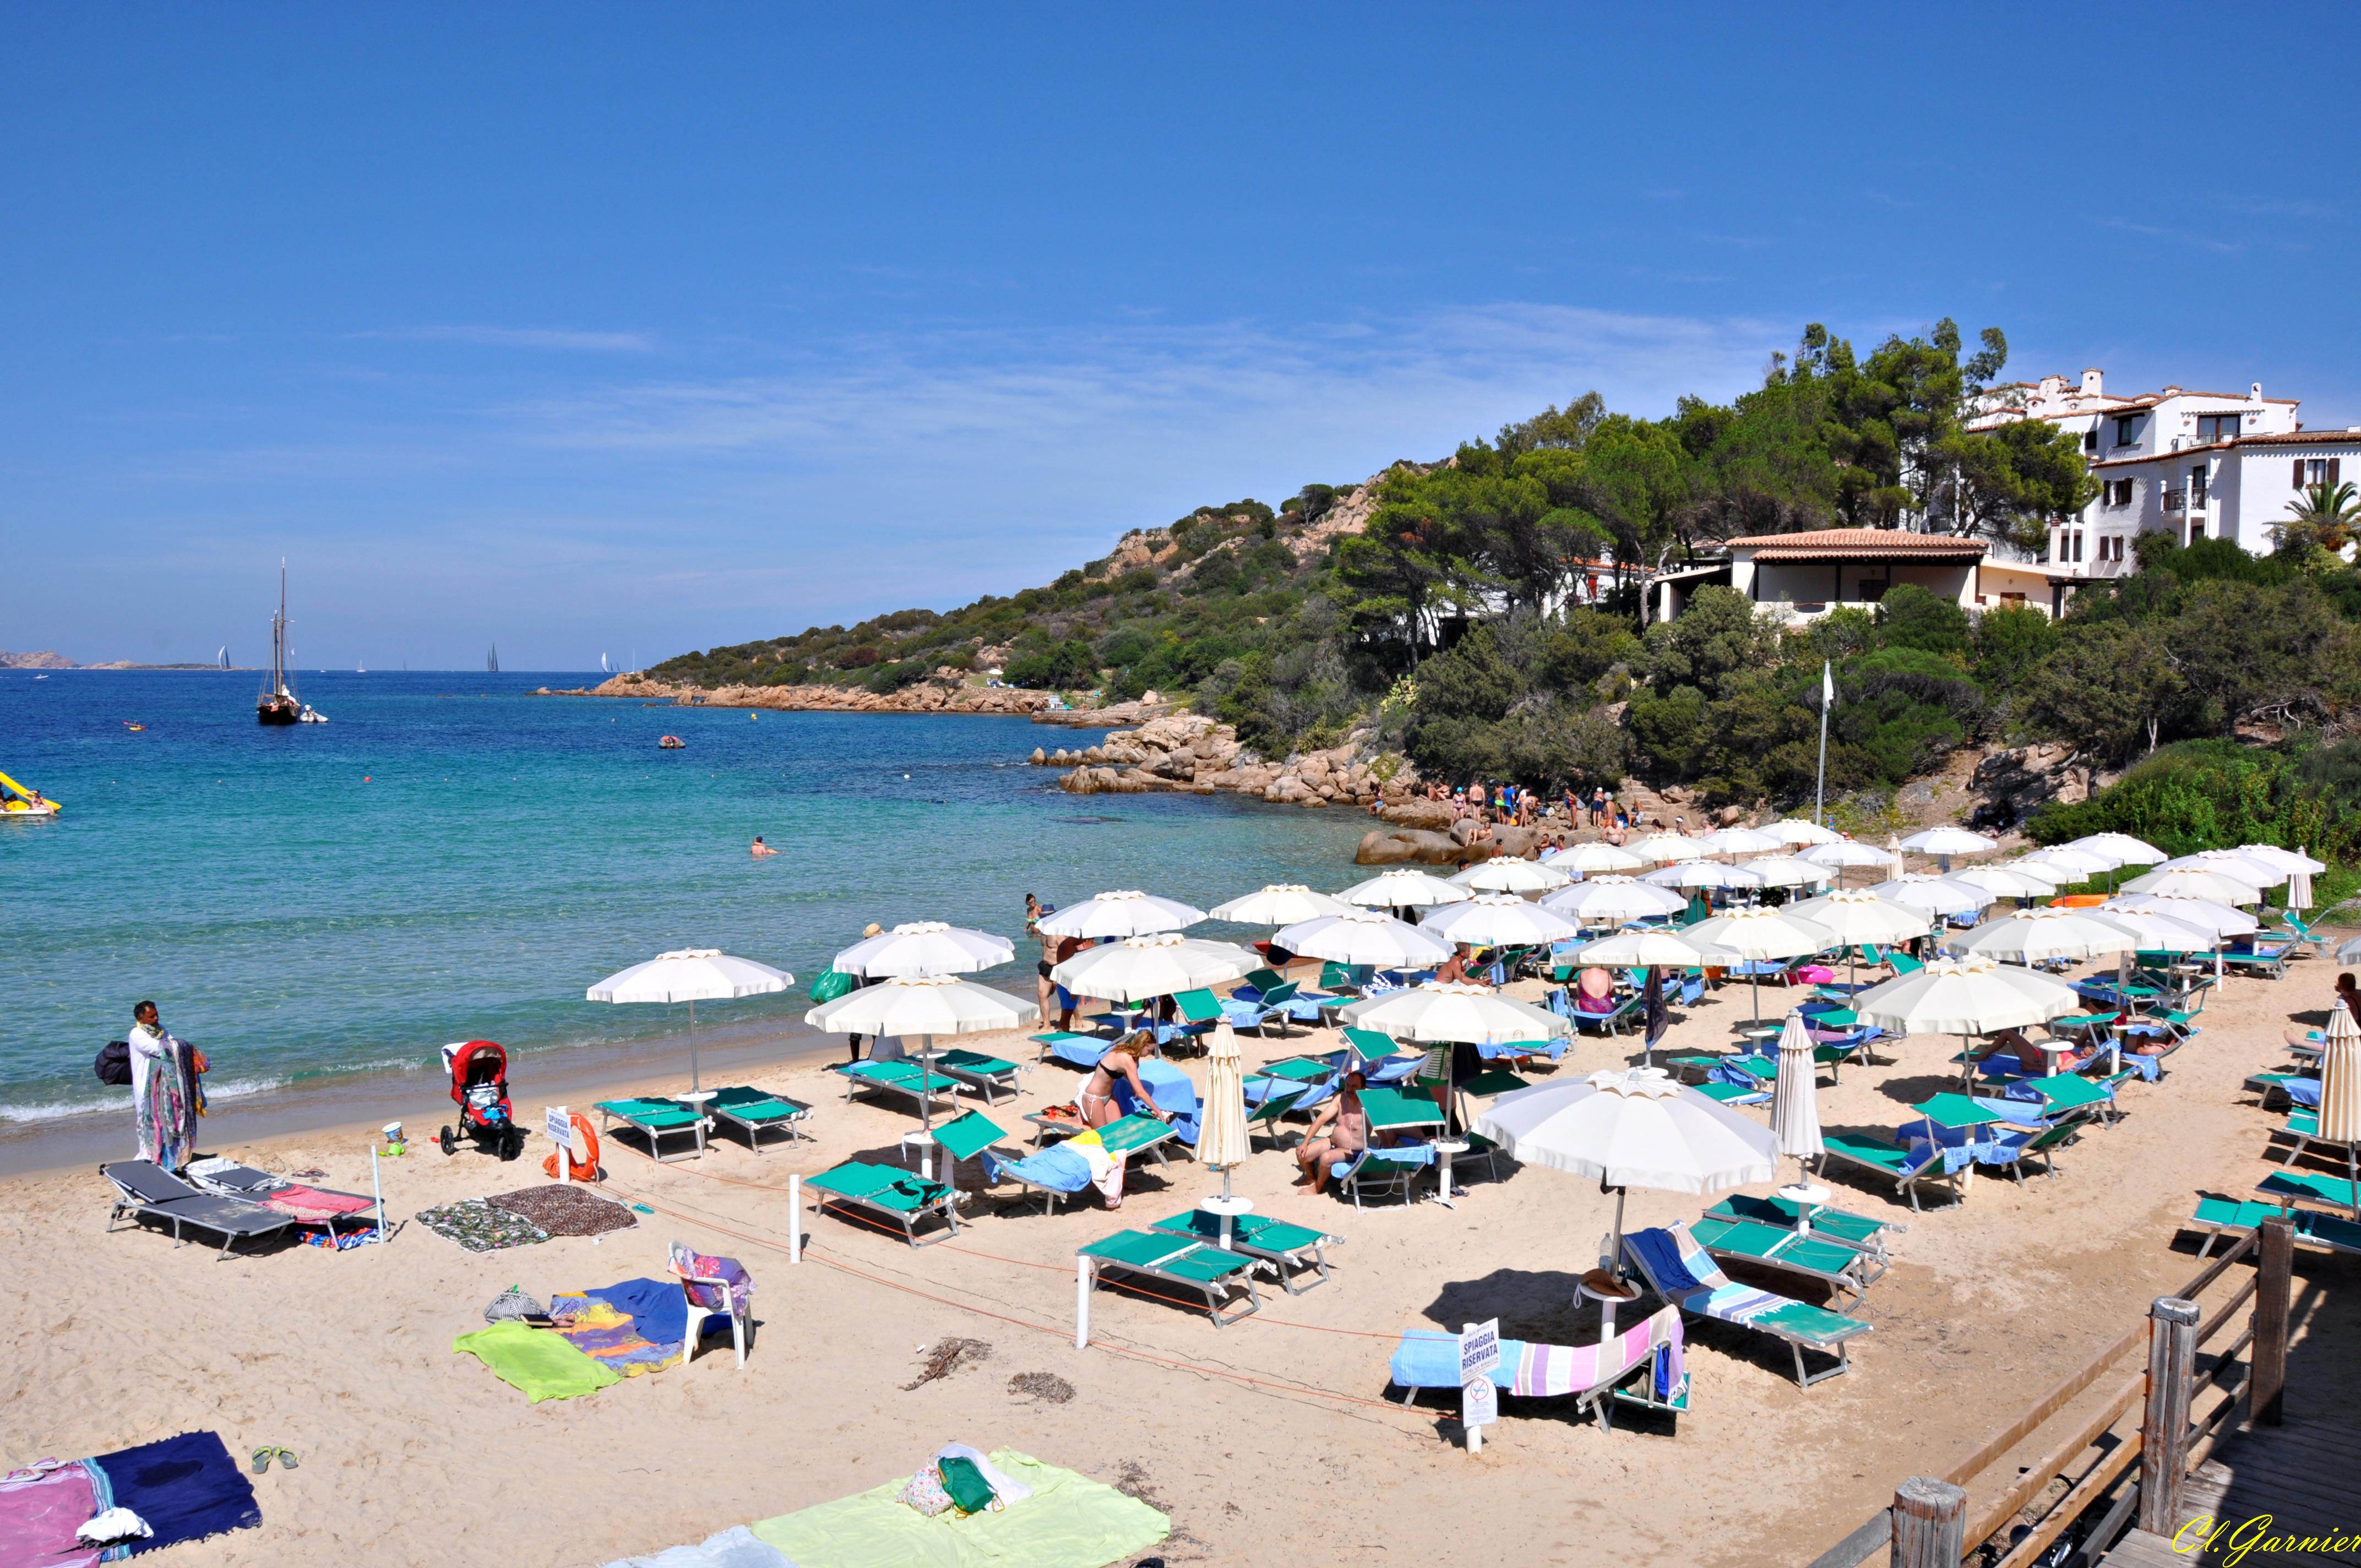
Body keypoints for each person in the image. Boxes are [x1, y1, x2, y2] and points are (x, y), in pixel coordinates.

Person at [127, 1000, 199, 1169]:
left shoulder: (162, 1030)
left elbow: (171, 1045)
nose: (156, 1018)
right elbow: (160, 1049)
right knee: (150, 1121)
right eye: (151, 1016)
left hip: (166, 1086)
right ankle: (151, 1158)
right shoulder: (136, 1034)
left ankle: (170, 1160)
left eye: (156, 1014)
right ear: (141, 1017)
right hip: (147, 1087)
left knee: (170, 1121)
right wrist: (182, 1046)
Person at [1294, 1071, 1369, 1192]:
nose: (1350, 1089)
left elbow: (1381, 1129)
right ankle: (1311, 1177)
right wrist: (1305, 1142)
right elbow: (1321, 1120)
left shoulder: (1367, 1105)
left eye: (1355, 1087)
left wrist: (1388, 1151)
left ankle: (1317, 1188)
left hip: (1352, 1152)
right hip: (1332, 1142)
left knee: (1326, 1157)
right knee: (1301, 1153)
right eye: (1348, 1085)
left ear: (1363, 1088)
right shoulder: (1340, 1099)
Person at [1079, 1039, 1161, 1130]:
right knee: (1101, 1134)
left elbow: (1127, 1076)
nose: (1150, 1053)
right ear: (1142, 1045)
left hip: (1108, 1097)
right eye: (1149, 1050)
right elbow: (1141, 1092)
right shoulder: (1127, 1058)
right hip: (1093, 1098)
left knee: (1119, 1130)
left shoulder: (1126, 1050)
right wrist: (1158, 1111)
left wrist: (1134, 1086)